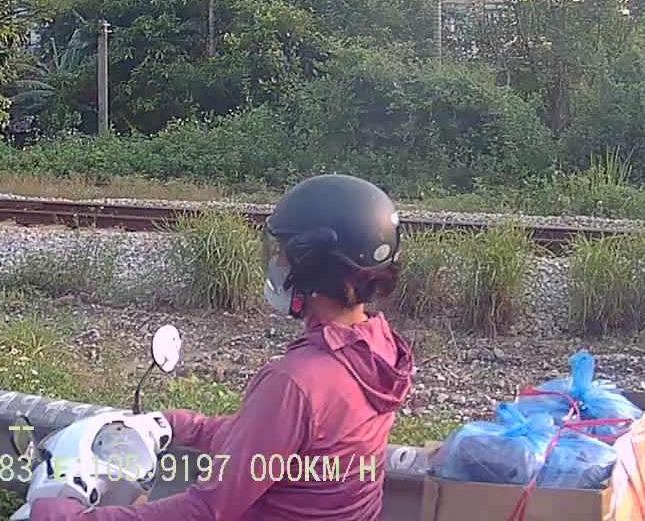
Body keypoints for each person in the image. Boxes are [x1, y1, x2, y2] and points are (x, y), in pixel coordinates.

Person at [30, 174, 416, 521]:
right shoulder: (379, 350)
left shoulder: (295, 382)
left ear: (314, 265)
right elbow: (288, 443)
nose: (277, 262)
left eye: (284, 252)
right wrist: (184, 425)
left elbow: (207, 510)